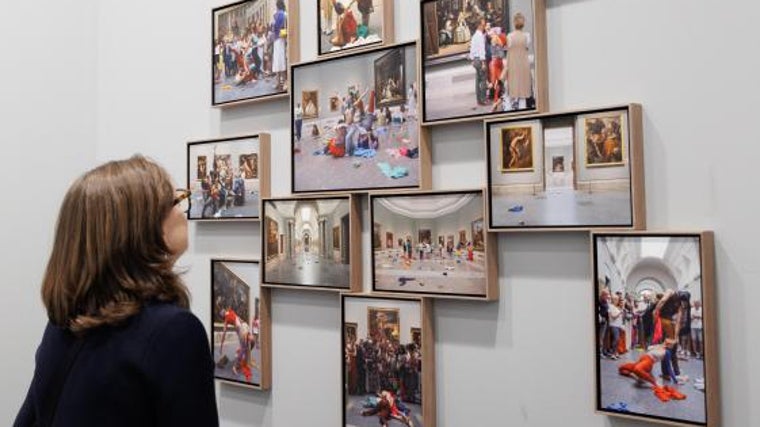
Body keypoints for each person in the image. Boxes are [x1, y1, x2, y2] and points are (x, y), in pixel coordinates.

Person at [14, 156, 218, 426]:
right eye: (176, 202)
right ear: (143, 227)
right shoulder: (173, 331)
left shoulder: (63, 323)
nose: (183, 212)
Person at [505, 12, 532, 110]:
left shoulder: (509, 36)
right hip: (524, 65)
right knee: (523, 93)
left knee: (513, 91)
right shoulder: (527, 36)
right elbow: (526, 47)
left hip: (513, 66)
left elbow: (509, 50)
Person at [469, 19, 488, 106]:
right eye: (483, 25)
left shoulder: (474, 36)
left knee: (478, 81)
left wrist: (472, 60)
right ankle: (483, 99)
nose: (484, 27)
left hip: (475, 60)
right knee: (483, 80)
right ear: (479, 26)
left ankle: (479, 100)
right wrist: (483, 62)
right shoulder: (480, 36)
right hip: (480, 60)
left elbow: (472, 49)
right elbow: (481, 50)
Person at [271, 0, 288, 90]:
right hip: (281, 38)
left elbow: (275, 26)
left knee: (279, 60)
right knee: (279, 59)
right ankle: (281, 81)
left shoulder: (279, 14)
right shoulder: (284, 13)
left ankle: (282, 81)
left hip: (278, 38)